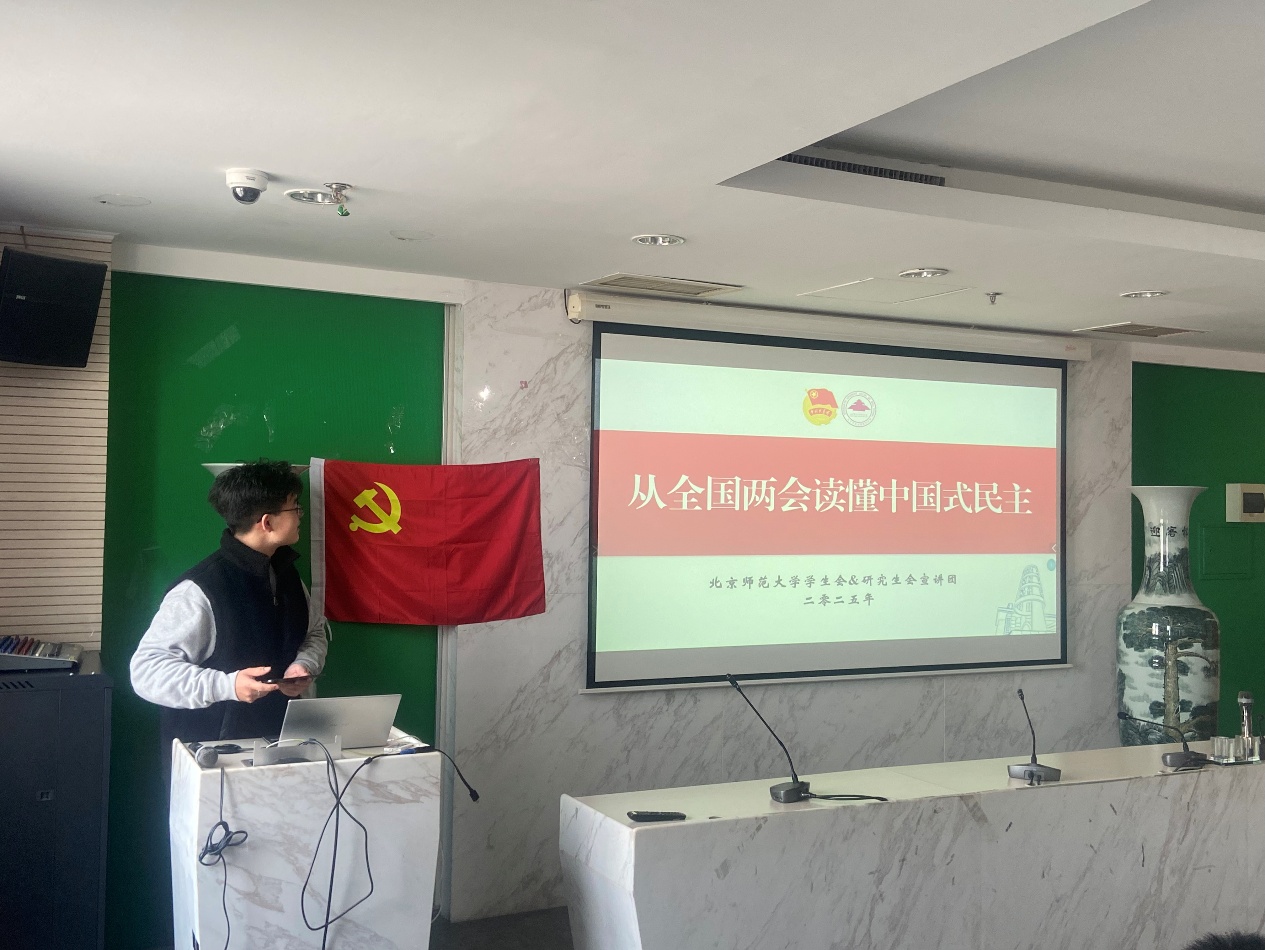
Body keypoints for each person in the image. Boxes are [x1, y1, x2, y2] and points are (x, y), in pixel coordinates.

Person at [130, 460, 328, 777]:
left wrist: (303, 664)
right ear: (267, 522)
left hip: (281, 750)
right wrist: (227, 686)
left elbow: (314, 632)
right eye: (295, 508)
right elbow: (147, 671)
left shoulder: (287, 575)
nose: (301, 515)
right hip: (213, 763)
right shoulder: (199, 590)